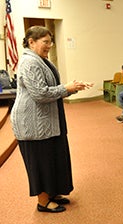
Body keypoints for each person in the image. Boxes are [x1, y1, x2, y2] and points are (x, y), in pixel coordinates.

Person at [10, 26, 92, 213]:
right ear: (31, 42)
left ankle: (53, 192)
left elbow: (52, 87)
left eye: (50, 41)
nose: (49, 45)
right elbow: (39, 93)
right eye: (45, 42)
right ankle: (43, 201)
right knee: (41, 162)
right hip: (33, 123)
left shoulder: (40, 60)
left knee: (53, 157)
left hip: (48, 120)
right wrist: (67, 88)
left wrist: (73, 86)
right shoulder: (29, 62)